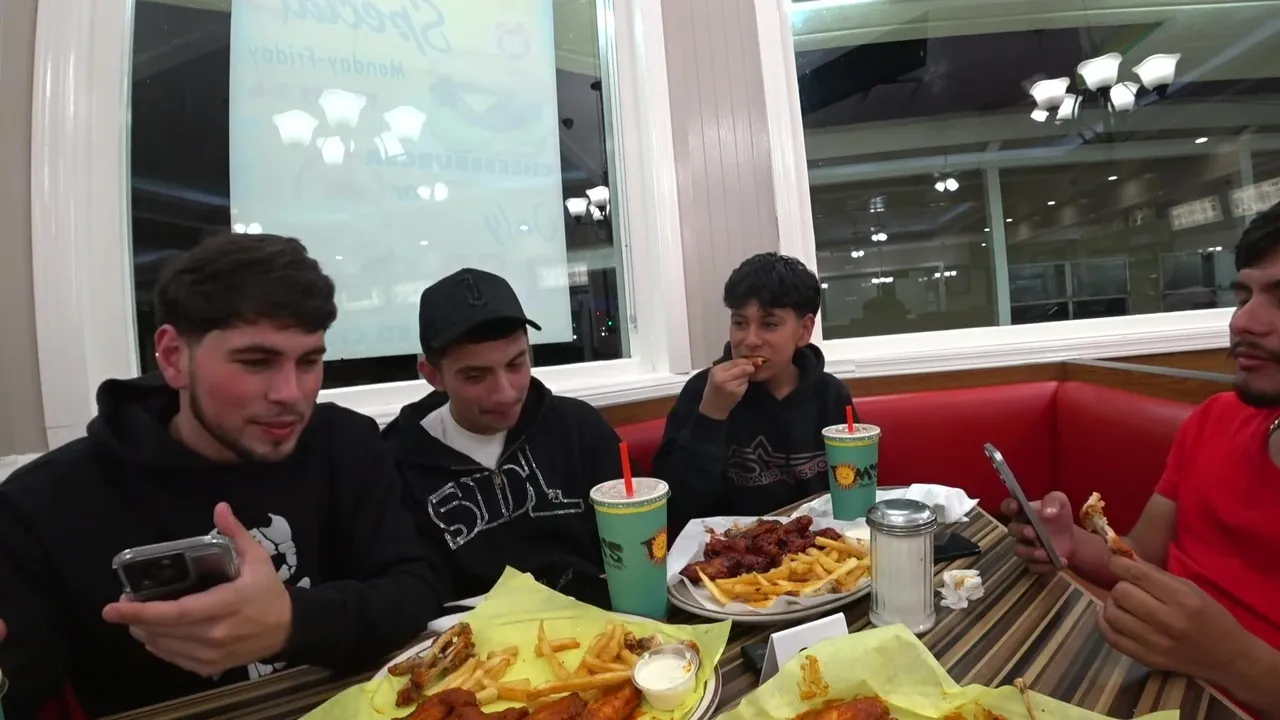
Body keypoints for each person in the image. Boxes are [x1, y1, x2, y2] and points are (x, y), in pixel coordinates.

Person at [0, 233, 442, 717]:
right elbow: (24, 687)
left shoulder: (346, 444)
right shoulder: (45, 505)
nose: (291, 393)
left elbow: (413, 592)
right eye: (256, 362)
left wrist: (293, 622)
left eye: (309, 361)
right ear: (174, 357)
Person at [1004, 203, 1280, 718]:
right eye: (1243, 296)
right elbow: (1143, 554)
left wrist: (1234, 660)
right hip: (1156, 684)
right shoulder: (1216, 418)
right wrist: (1070, 543)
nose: (1242, 320)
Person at [384, 268, 622, 605]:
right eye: (475, 376)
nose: (505, 393)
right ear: (433, 375)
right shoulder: (396, 465)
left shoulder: (579, 428)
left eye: (516, 364)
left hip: (602, 621)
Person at [653, 253, 855, 531]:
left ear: (804, 330)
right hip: (726, 548)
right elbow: (675, 509)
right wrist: (712, 415)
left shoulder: (830, 395)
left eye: (769, 324)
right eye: (739, 323)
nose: (749, 340)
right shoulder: (703, 391)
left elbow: (854, 490)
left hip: (818, 542)